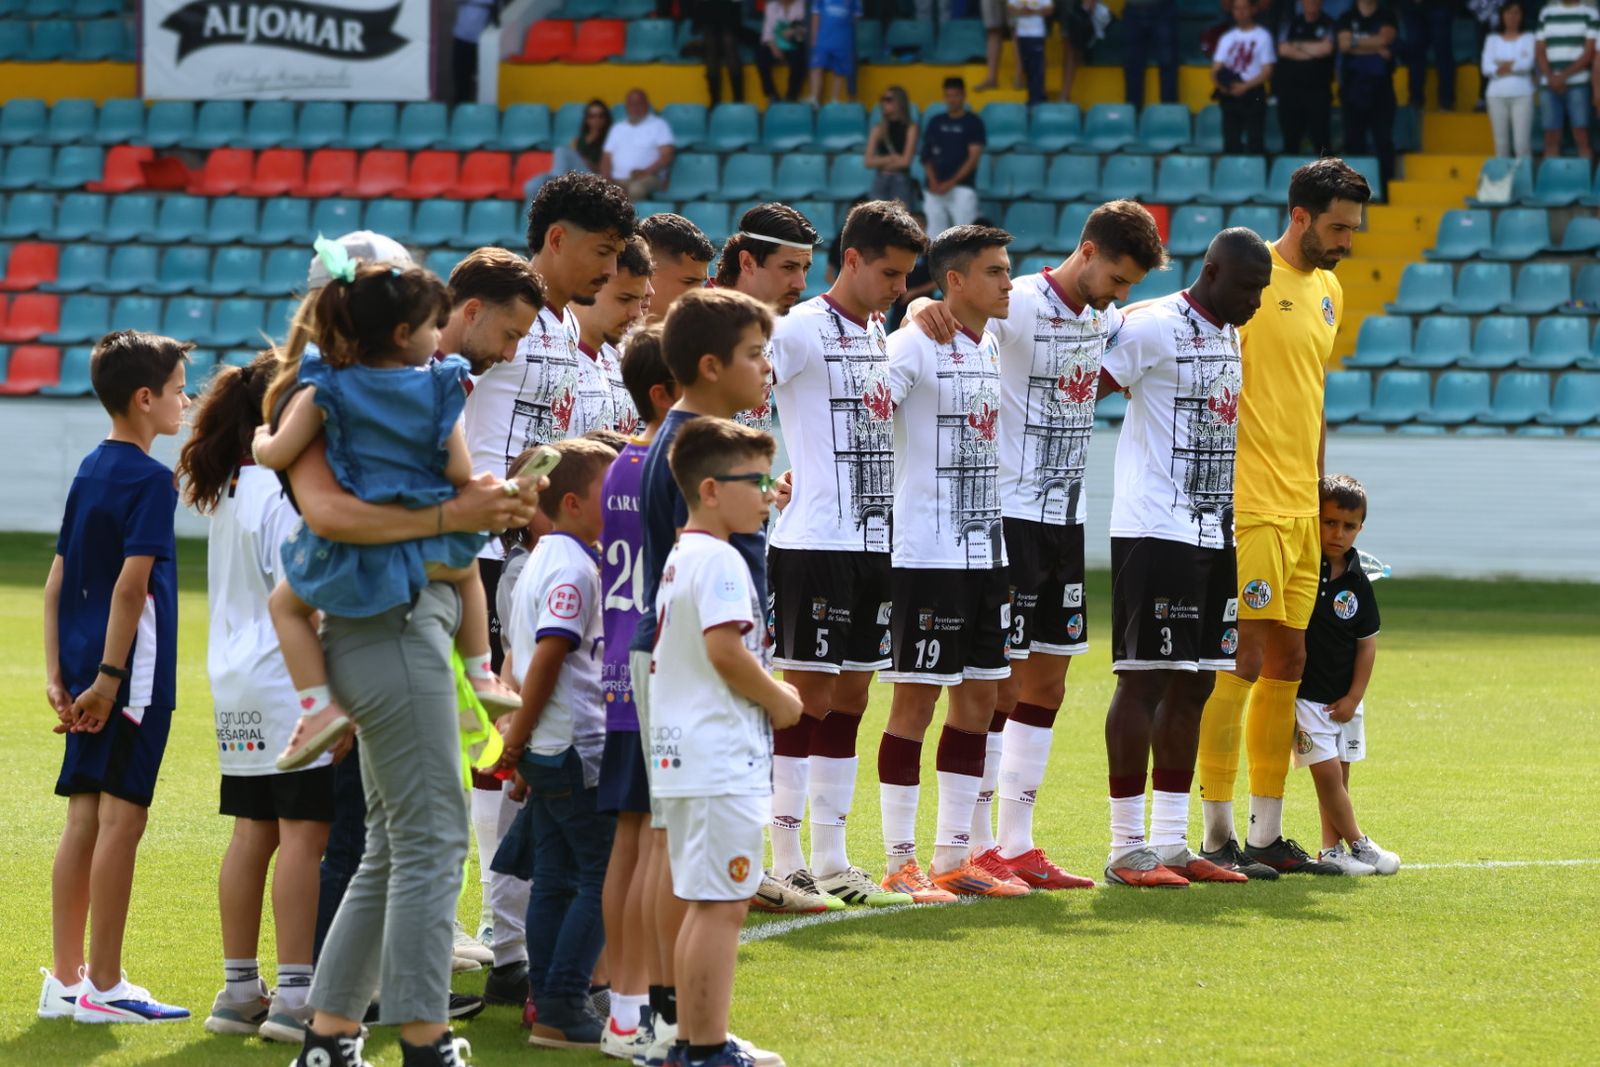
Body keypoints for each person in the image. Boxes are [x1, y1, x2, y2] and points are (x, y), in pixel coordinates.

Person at [908, 200, 1166, 891]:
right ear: (1087, 251)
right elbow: (940, 313)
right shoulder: (1015, 303)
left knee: (1049, 678)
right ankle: (977, 841)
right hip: (1009, 516)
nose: (1122, 294)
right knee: (998, 684)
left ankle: (1020, 843)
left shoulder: (1104, 318)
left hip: (1066, 520)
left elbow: (1159, 315)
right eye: (1117, 277)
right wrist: (914, 311)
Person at [252, 252, 517, 771]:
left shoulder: (325, 387)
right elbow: (460, 472)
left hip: (355, 543)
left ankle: (316, 705)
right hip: (428, 544)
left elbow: (279, 454)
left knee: (286, 607)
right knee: (466, 572)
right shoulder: (439, 387)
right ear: (402, 334)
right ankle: (482, 673)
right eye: (433, 325)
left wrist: (261, 437)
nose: (440, 334)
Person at [1195, 158, 1372, 879]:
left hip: (1301, 507)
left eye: (1354, 228)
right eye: (1337, 227)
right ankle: (1215, 833)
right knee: (1244, 658)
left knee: (1290, 663)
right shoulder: (1246, 277)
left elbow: (1314, 396)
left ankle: (1268, 834)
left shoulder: (1329, 289)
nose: (1347, 241)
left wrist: (1322, 498)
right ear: (1299, 215)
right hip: (1252, 504)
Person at [631, 288, 787, 1067]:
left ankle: (676, 1026)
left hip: (681, 701)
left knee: (683, 870)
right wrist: (780, 694)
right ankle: (691, 1033)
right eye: (757, 354)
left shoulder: (682, 449)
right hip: (708, 717)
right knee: (706, 890)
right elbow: (724, 643)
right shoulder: (695, 476)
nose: (767, 368)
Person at [1098, 229, 1274, 889]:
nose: (1256, 302)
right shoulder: (1153, 327)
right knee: (1144, 678)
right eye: (1248, 288)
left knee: (1197, 680)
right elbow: (1084, 390)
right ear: (1212, 271)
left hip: (1212, 531)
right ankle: (1124, 847)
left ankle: (1172, 841)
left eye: (1263, 291)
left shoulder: (1226, 330)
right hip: (1154, 529)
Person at [765, 200, 927, 908]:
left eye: (907, 277)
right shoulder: (798, 329)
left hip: (874, 540)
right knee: (804, 698)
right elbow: (738, 397)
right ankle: (783, 854)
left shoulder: (878, 332)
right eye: (889, 273)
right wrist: (760, 474)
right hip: (812, 542)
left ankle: (832, 858)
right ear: (852, 259)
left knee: (854, 696)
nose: (899, 287)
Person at [177, 352, 336, 1043]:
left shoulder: (232, 489)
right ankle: (297, 992)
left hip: (234, 680)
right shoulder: (283, 490)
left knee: (252, 832)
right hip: (287, 681)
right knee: (306, 835)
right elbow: (298, 598)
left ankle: (240, 986)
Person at [39, 330, 191, 1025]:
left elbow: (57, 578)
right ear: (145, 398)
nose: (185, 400)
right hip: (127, 678)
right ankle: (105, 983)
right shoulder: (152, 479)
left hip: (81, 671)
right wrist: (109, 677)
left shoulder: (90, 468)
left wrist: (59, 674)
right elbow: (133, 588)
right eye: (180, 388)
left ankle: (66, 980)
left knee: (83, 816)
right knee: (122, 820)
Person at [876, 224, 1029, 901]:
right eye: (995, 271)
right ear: (955, 280)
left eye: (1008, 270)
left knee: (981, 698)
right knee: (915, 701)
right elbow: (867, 406)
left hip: (985, 550)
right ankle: (898, 859)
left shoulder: (991, 340)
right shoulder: (913, 342)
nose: (1008, 283)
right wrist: (908, 311)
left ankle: (952, 856)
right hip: (926, 554)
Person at [653, 418, 802, 1067]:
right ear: (710, 489)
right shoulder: (720, 559)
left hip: (687, 754)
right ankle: (705, 1046)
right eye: (757, 481)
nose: (768, 494)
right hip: (717, 754)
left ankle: (689, 1036)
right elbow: (725, 649)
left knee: (704, 902)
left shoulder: (687, 552)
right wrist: (780, 697)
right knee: (722, 906)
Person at [465, 170, 635, 671]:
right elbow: (439, 404)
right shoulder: (502, 308)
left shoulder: (566, 325)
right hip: (482, 551)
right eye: (603, 251)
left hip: (539, 552)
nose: (611, 268)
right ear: (557, 239)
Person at [492, 438, 620, 1048]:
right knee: (603, 873)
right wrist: (515, 744)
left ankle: (548, 1000)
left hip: (548, 747)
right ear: (571, 502)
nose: (620, 501)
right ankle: (566, 1000)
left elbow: (523, 660)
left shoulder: (546, 559)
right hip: (572, 747)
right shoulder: (571, 566)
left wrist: (523, 744)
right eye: (609, 492)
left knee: (553, 877)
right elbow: (546, 659)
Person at [595, 327, 676, 1060]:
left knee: (630, 838)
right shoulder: (673, 462)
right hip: (662, 666)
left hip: (619, 662)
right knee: (657, 841)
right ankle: (650, 1010)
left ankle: (623, 1006)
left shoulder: (620, 460)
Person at [1294, 474, 1402, 876]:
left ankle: (1331, 849)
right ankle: (1359, 842)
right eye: (1330, 522)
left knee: (1340, 774)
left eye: (1349, 526)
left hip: (1346, 699)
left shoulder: (1359, 580)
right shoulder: (1302, 564)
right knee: (1325, 775)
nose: (1338, 533)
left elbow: (1366, 644)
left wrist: (1355, 697)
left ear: (1360, 528)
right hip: (1307, 697)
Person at [714, 202, 821, 436]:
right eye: (789, 267)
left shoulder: (767, 324)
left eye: (805, 269)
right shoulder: (697, 329)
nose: (801, 283)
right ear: (747, 263)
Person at [571, 235, 653, 438]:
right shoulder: (526, 339)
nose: (637, 313)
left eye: (640, 300)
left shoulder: (610, 363)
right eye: (625, 299)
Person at [442, 247, 546, 377]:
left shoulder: (451, 380)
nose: (510, 356)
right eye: (510, 336)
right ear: (473, 312)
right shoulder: (414, 382)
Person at [1337, 0, 1400, 192]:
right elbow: (1344, 45)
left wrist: (1356, 43)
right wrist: (1374, 45)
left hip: (1381, 89)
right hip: (1353, 87)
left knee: (1383, 141)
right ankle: (1354, 193)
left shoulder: (1387, 15)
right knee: (1354, 142)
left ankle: (1386, 191)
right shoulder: (1347, 17)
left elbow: (1385, 40)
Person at [921, 77, 987, 236]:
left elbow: (972, 160)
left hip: (962, 187)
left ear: (963, 95)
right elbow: (926, 156)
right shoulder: (935, 122)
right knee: (934, 236)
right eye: (948, 95)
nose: (952, 100)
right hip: (935, 189)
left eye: (955, 95)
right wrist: (933, 180)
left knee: (964, 235)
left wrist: (950, 182)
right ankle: (934, 262)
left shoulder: (973, 122)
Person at [1535, 0, 1597, 159]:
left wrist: (1563, 76)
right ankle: (1552, 180)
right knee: (1550, 136)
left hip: (1578, 83)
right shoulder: (1546, 12)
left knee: (1581, 135)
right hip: (1549, 84)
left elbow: (1590, 52)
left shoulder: (1590, 13)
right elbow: (1540, 50)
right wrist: (1550, 77)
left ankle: (1586, 180)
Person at [1274, 0, 1337, 156]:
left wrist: (1297, 45)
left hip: (1319, 91)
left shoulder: (1329, 23)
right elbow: (1283, 49)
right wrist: (1313, 50)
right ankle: (1292, 179)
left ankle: (1325, 179)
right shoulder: (1290, 23)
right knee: (1290, 141)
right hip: (1290, 91)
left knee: (1321, 141)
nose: (1312, 3)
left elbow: (1326, 49)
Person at [1213, 0, 1275, 155]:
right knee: (1231, 142)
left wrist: (1245, 87)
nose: (1240, 12)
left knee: (1255, 141)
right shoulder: (1226, 38)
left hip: (1253, 93)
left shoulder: (1263, 36)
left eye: (1244, 8)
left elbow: (1267, 70)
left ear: (1253, 9)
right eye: (1237, 8)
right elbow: (1216, 69)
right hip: (1229, 93)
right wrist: (1223, 87)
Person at [640, 212, 717, 326]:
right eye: (689, 282)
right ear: (647, 273)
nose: (701, 295)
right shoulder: (610, 340)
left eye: (702, 283)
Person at [1482, 0, 1536, 159]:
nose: (1512, 17)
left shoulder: (1529, 37)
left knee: (1522, 144)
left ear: (1522, 15)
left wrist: (1501, 65)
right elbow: (1486, 68)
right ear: (1502, 16)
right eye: (1509, 13)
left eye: (1516, 13)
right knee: (1501, 145)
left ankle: (1525, 182)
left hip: (1522, 94)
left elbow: (1527, 64)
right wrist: (1512, 64)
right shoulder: (1492, 39)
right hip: (1496, 96)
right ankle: (1503, 182)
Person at [528, 99, 612, 199]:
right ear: (587, 119)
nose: (596, 120)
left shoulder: (610, 139)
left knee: (561, 151)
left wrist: (588, 163)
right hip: (574, 175)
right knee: (533, 184)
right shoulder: (578, 140)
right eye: (592, 116)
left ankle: (556, 184)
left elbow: (608, 172)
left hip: (594, 177)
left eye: (600, 116)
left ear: (605, 118)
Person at [603, 90, 675, 202]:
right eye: (631, 104)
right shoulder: (617, 128)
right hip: (617, 179)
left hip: (649, 177)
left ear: (647, 104)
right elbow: (606, 157)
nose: (635, 107)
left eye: (639, 103)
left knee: (635, 189)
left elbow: (667, 155)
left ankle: (627, 219)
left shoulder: (659, 125)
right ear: (626, 106)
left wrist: (645, 172)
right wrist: (607, 177)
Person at [865, 85, 919, 207]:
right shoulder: (878, 128)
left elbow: (905, 162)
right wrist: (892, 158)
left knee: (901, 221)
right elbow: (868, 161)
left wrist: (881, 162)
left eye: (888, 99)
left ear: (899, 102)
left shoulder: (911, 127)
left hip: (900, 178)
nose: (884, 103)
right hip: (881, 178)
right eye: (882, 99)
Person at [1121, 0, 1181, 108]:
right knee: (1132, 65)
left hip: (1163, 8)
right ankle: (1133, 115)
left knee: (1168, 63)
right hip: (1133, 8)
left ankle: (1170, 115)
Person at [1401, 0, 1457, 111]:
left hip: (1441, 6)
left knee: (1442, 52)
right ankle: (1415, 100)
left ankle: (1446, 101)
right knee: (1414, 51)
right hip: (1412, 7)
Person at [808, 0, 861, 105]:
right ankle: (814, 98)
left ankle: (834, 100)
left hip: (843, 38)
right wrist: (814, 35)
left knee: (839, 70)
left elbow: (856, 16)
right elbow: (815, 14)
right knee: (816, 66)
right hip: (823, 37)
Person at [758, 0, 810, 102]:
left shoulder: (803, 4)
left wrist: (795, 31)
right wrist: (774, 48)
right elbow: (767, 34)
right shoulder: (771, 7)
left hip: (796, 43)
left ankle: (792, 96)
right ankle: (772, 94)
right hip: (776, 44)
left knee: (799, 57)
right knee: (761, 55)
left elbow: (808, 29)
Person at [701, 0, 747, 105]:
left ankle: (736, 99)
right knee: (712, 49)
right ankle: (718, 100)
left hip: (727, 6)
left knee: (727, 47)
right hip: (709, 6)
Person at [1010, 0, 1054, 103]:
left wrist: (1033, 11)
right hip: (1021, 33)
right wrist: (1024, 11)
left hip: (1037, 33)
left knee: (1036, 68)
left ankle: (1037, 99)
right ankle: (1033, 98)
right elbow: (1010, 9)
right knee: (1027, 68)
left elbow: (1050, 9)